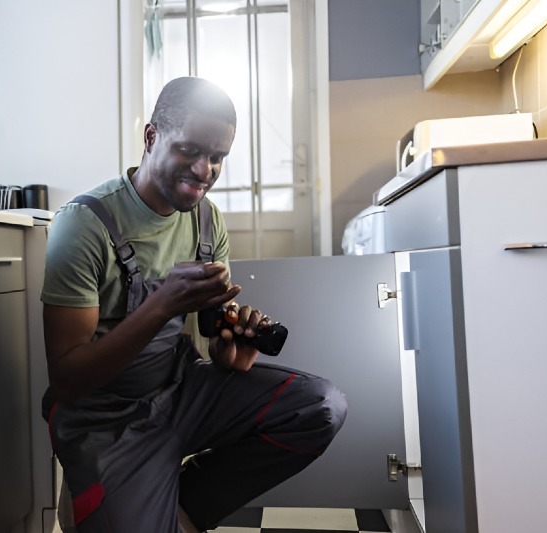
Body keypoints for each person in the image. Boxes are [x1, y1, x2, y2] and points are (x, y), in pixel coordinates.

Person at [41, 76, 347, 533]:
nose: (205, 171)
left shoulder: (206, 221)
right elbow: (66, 379)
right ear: (151, 137)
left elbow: (212, 336)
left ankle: (180, 507)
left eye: (217, 157)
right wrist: (161, 306)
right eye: (190, 151)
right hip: (105, 418)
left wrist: (230, 354)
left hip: (180, 392)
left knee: (320, 407)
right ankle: (114, 489)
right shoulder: (84, 226)